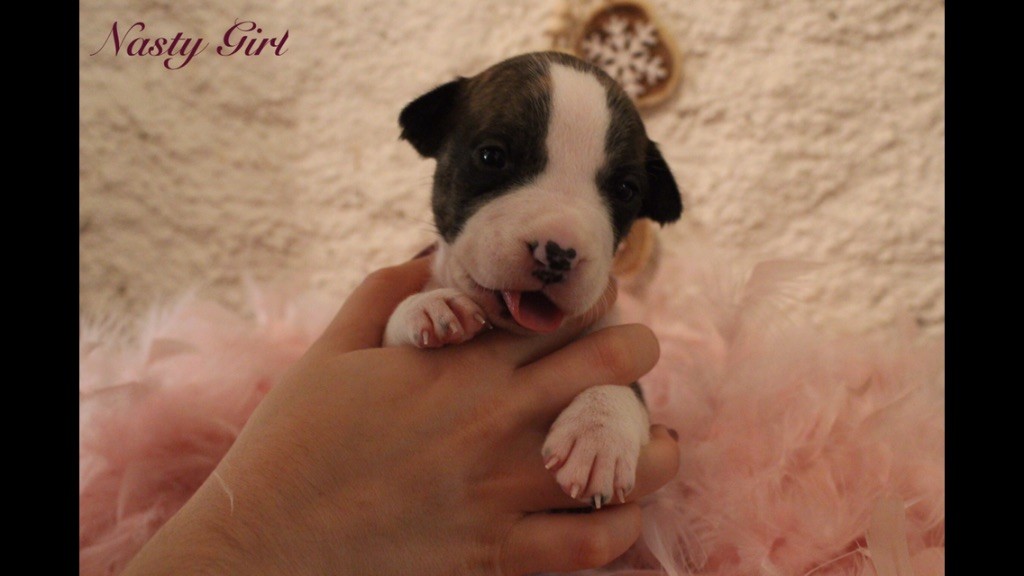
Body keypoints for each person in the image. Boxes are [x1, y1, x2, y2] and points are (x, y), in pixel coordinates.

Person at [120, 255, 680, 575]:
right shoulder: (428, 289)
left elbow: (624, 402)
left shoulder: (596, 322)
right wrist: (257, 536)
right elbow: (396, 371)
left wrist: (611, 410)